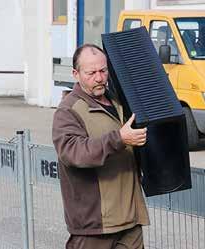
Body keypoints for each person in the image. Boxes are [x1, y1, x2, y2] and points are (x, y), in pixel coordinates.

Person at [52, 43, 149, 249]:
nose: (99, 78)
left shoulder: (119, 100)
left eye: (103, 71)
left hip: (130, 219)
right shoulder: (68, 111)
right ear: (75, 74)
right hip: (95, 225)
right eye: (91, 72)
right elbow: (73, 153)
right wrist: (119, 139)